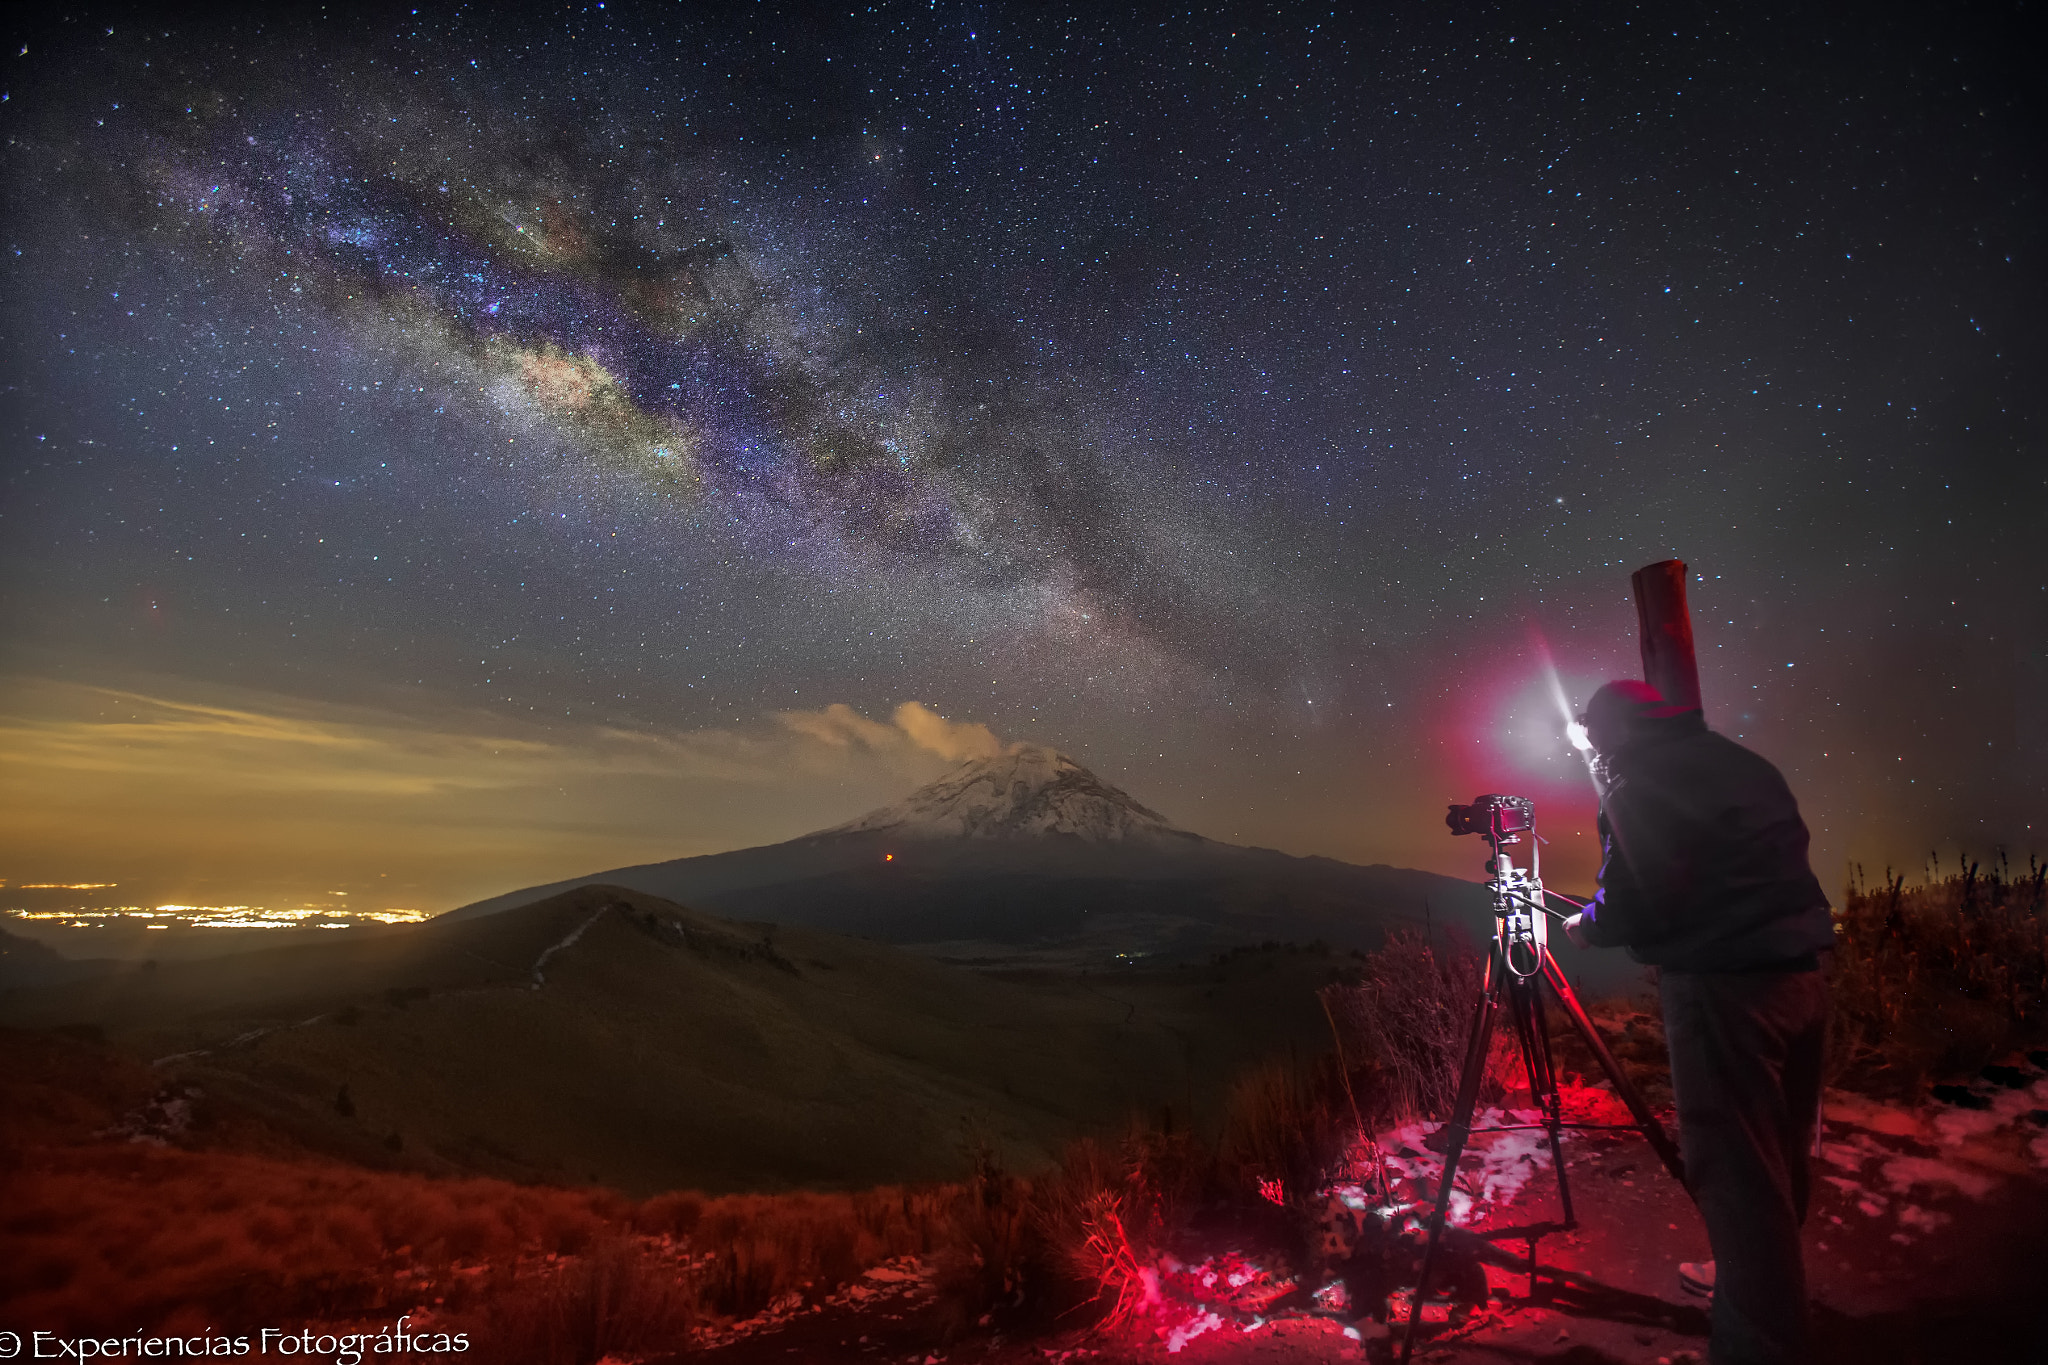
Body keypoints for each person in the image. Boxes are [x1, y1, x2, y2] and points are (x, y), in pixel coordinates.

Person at [1560, 680, 1835, 1365]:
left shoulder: (1639, 784)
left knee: (1737, 1170)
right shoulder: (1743, 763)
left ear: (1614, 730)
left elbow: (1629, 903)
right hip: (1802, 974)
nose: (1590, 748)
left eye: (1594, 736)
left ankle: (1760, 1344)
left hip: (1724, 988)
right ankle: (1757, 1281)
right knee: (1781, 1147)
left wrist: (1584, 926)